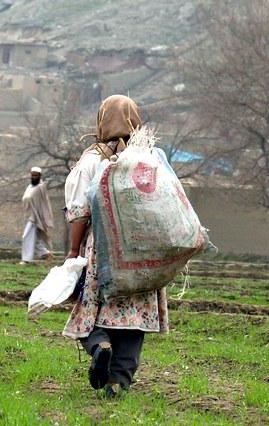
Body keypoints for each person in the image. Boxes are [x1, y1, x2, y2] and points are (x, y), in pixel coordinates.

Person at [63, 95, 168, 397]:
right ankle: (118, 382)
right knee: (134, 318)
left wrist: (73, 252)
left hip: (104, 251)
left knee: (91, 309)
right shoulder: (151, 158)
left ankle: (100, 344)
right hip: (144, 251)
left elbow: (79, 211)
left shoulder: (93, 159)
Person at [20, 166, 55, 264]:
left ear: (39, 176)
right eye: (32, 175)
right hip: (28, 215)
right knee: (34, 238)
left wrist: (41, 217)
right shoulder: (30, 187)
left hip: (35, 217)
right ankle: (46, 254)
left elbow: (43, 203)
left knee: (26, 236)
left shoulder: (40, 187)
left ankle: (26, 259)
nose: (34, 177)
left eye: (36, 175)